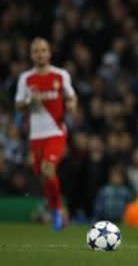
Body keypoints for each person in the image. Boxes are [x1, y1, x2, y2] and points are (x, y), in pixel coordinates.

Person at [15, 37, 77, 231]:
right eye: (36, 51)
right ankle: (57, 209)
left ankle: (57, 211)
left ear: (49, 53)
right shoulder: (26, 78)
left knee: (48, 168)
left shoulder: (61, 75)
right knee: (44, 176)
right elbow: (18, 104)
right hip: (36, 136)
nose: (40, 54)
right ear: (31, 55)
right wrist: (28, 102)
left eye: (43, 50)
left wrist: (72, 104)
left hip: (56, 132)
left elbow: (71, 96)